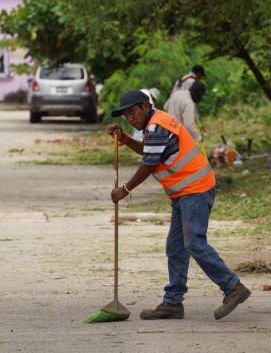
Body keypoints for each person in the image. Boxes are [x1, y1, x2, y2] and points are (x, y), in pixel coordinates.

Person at [108, 90, 251, 320]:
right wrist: (125, 139)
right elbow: (150, 152)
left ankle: (233, 287)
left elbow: (148, 163)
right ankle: (173, 303)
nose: (130, 118)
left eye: (133, 112)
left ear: (146, 106)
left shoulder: (157, 126)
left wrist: (125, 190)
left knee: (194, 242)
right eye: (126, 115)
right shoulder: (153, 125)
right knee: (175, 248)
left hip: (195, 189)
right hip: (183, 193)